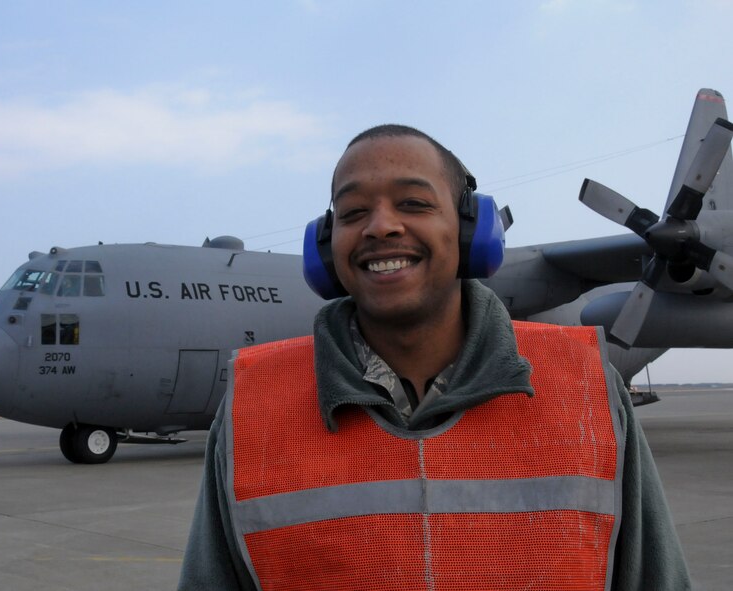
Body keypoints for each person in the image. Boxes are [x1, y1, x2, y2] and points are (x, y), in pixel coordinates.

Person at [178, 126, 690, 590]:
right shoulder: (251, 407)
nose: (381, 226)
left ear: (472, 230)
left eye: (414, 204)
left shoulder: (587, 387)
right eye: (353, 213)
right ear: (326, 243)